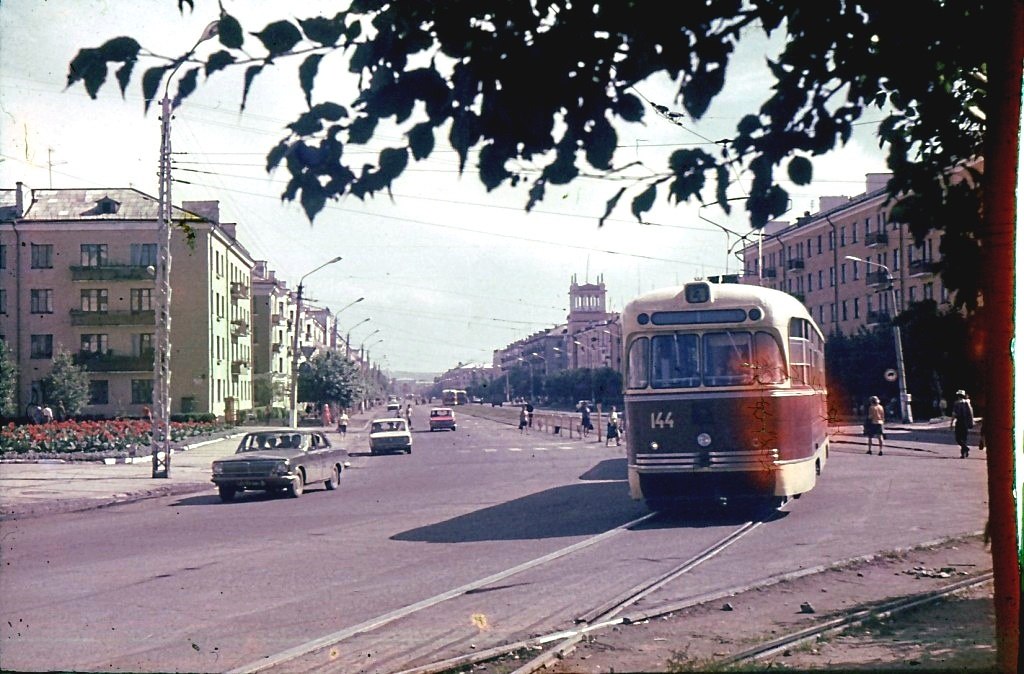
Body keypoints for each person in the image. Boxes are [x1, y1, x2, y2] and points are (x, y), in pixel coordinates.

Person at [951, 389, 975, 458]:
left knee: (958, 438)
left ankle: (965, 448)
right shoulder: (968, 403)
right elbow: (970, 414)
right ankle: (964, 452)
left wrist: (951, 423)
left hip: (959, 422)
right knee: (964, 438)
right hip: (965, 423)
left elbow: (954, 414)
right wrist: (971, 422)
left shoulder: (956, 403)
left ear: (958, 396)